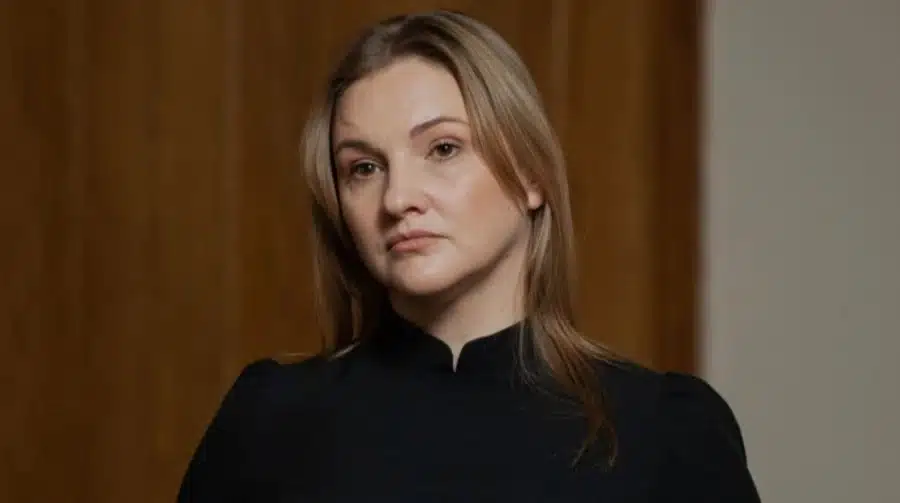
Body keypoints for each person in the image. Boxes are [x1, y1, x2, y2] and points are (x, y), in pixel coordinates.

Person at [177, 9, 760, 503]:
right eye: (364, 168)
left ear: (530, 174)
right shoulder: (270, 422)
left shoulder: (666, 431)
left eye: (443, 149)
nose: (398, 199)